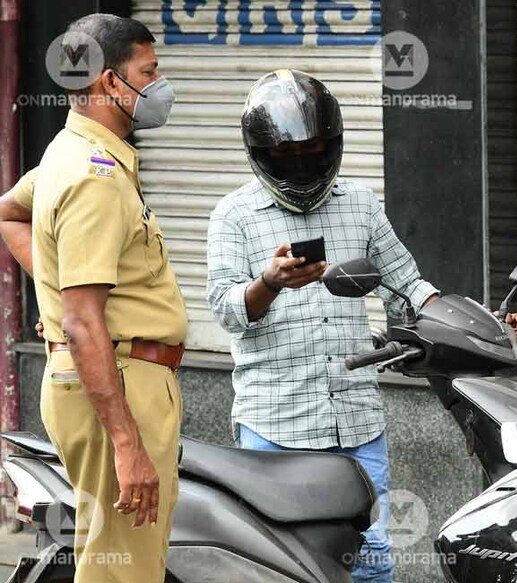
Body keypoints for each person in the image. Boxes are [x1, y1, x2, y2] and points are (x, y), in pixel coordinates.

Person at [209, 69, 494, 583]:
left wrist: (471, 325)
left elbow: (408, 285)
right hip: (276, 423)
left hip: (356, 421)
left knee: (371, 559)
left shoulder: (359, 204)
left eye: (314, 151)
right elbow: (227, 309)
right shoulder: (235, 215)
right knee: (284, 565)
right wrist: (269, 282)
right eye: (288, 154)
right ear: (261, 152)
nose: (303, 163)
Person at [0, 14, 184, 582]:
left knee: (113, 564)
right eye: (148, 72)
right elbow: (83, 323)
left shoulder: (69, 150)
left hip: (109, 374)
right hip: (120, 378)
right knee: (124, 572)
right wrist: (127, 444)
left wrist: (56, 294)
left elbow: (9, 213)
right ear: (109, 81)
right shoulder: (93, 176)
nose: (159, 86)